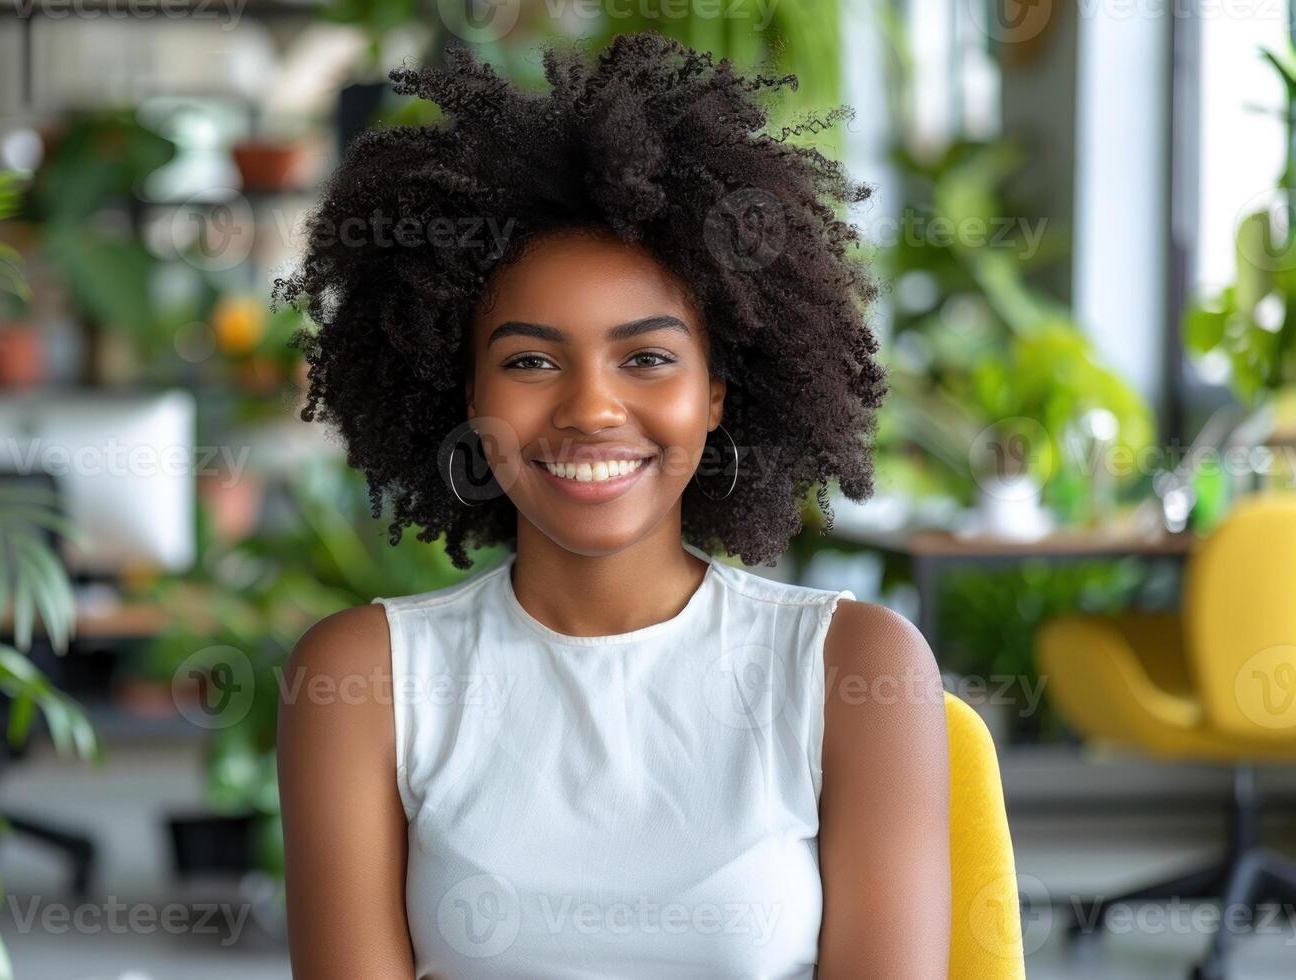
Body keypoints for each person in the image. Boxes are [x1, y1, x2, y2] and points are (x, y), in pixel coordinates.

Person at [274, 33, 950, 979]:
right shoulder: (364, 680)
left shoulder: (853, 667)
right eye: (528, 362)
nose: (590, 409)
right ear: (462, 394)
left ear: (715, 392)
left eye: (646, 358)